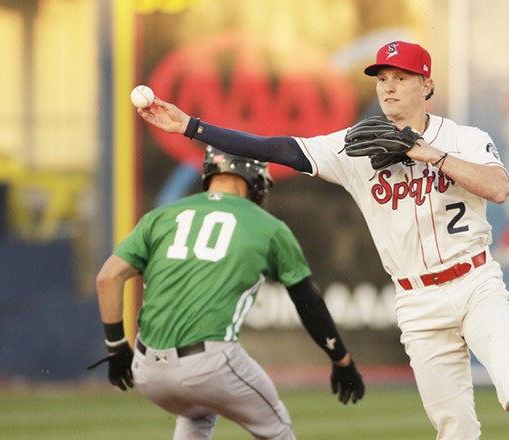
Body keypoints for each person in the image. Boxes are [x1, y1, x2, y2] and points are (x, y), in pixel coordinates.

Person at [137, 40, 509, 439]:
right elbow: (275, 148)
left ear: (427, 84)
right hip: (415, 299)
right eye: (382, 79)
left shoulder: (464, 139)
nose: (389, 87)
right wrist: (190, 126)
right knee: (452, 425)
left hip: (475, 283)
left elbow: (498, 187)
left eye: (401, 77)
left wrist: (427, 153)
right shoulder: (353, 146)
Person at [89, 147, 365, 440]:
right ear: (253, 175)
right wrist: (341, 360)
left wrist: (117, 348)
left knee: (198, 413)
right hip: (207, 364)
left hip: (146, 370)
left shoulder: (161, 216)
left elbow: (108, 277)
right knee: (277, 428)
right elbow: (308, 302)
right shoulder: (267, 227)